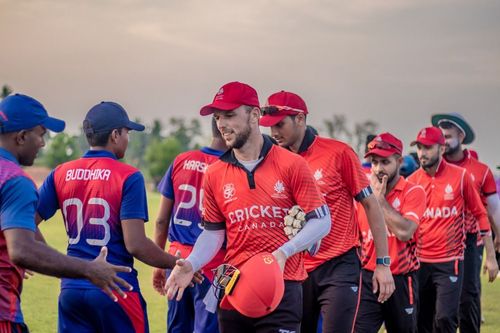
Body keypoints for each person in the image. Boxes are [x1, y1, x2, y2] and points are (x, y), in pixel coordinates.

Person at [165, 81, 331, 333]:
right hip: (232, 286)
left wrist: (284, 253)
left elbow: (321, 220)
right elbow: (213, 232)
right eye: (218, 117)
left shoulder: (291, 164)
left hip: (282, 287)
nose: (222, 124)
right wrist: (193, 262)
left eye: (230, 115)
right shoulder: (215, 173)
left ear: (254, 115)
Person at [36, 101, 185, 333]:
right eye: (126, 132)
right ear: (115, 134)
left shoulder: (61, 172)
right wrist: (176, 264)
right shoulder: (129, 176)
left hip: (71, 289)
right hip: (116, 288)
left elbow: (24, 222)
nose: (128, 138)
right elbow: (135, 244)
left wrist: (54, 259)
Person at [259, 90, 394, 333]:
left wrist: (383, 264)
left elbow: (371, 205)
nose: (274, 133)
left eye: (280, 124)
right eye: (270, 127)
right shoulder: (272, 160)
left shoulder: (338, 153)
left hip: (339, 266)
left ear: (300, 118)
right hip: (295, 266)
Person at [0, 94, 132, 333]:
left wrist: (34, 248)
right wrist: (89, 269)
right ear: (21, 137)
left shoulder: (58, 173)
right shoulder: (15, 180)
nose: (42, 143)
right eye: (40, 134)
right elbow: (21, 250)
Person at [407, 126, 492, 333]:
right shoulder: (412, 181)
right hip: (419, 263)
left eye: (428, 148)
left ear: (441, 149)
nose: (422, 153)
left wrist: (491, 255)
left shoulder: (461, 177)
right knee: (420, 322)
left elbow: (480, 213)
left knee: (445, 319)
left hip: (450, 261)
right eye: (419, 147)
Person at [152, 117, 227, 333]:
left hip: (176, 259)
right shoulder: (231, 166)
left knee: (177, 328)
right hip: (214, 265)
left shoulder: (181, 160)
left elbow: (161, 220)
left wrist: (160, 262)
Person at [432, 112, 499, 333]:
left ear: (461, 136)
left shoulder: (480, 170)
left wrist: (496, 243)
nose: (444, 141)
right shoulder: (430, 169)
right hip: (436, 242)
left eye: (448, 136)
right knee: (435, 302)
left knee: (468, 296)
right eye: (441, 136)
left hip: (470, 241)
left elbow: (493, 209)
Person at [355, 133, 426, 333]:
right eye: (374, 162)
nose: (378, 169)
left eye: (385, 162)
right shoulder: (362, 194)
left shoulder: (413, 191)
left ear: (399, 160)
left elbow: (404, 231)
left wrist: (378, 200)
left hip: (402, 280)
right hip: (368, 279)